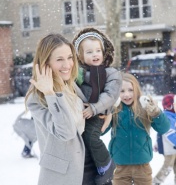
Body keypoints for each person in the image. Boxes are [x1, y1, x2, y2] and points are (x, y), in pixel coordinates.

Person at [25, 33, 109, 185]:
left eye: (70, 57)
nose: (67, 65)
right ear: (45, 63)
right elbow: (67, 132)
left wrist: (107, 114)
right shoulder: (38, 97)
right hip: (65, 174)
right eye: (59, 59)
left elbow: (85, 117)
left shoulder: (70, 85)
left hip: (88, 164)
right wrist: (50, 94)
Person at [73, 27, 122, 185]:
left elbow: (110, 95)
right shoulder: (77, 73)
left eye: (98, 50)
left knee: (91, 137)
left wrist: (94, 108)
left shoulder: (110, 73)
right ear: (80, 56)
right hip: (80, 114)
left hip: (97, 114)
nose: (95, 54)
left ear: (104, 52)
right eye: (89, 52)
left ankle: (106, 165)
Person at [103, 72, 170, 185]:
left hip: (142, 167)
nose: (126, 95)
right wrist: (107, 112)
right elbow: (101, 131)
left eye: (130, 90)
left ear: (137, 90)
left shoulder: (145, 108)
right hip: (119, 167)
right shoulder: (114, 110)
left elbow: (164, 128)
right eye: (122, 91)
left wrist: (156, 113)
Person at [153, 94, 176, 185]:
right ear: (170, 105)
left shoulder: (173, 115)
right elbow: (169, 133)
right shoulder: (167, 117)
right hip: (169, 149)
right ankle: (156, 182)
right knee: (168, 166)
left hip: (173, 147)